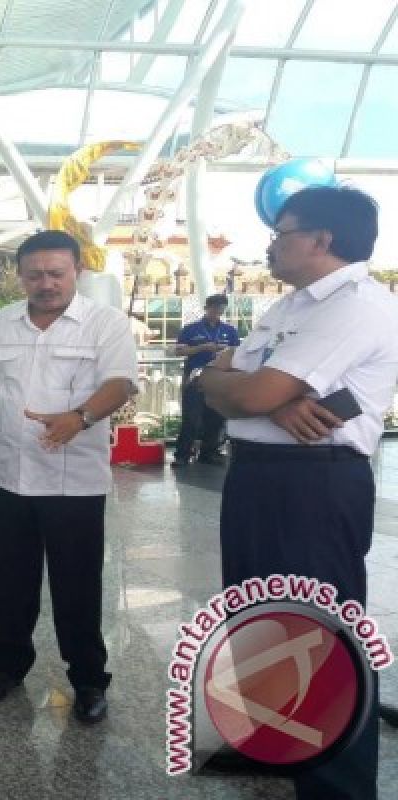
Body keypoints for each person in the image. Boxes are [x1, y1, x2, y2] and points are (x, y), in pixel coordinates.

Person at [197, 186, 398, 799]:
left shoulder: (357, 305)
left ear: (321, 240)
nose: (271, 244)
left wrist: (256, 393)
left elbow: (247, 394)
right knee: (256, 619)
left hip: (315, 484)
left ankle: (336, 785)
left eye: (282, 232)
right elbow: (211, 375)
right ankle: (273, 745)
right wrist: (257, 393)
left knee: (318, 637)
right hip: (256, 477)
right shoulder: (288, 309)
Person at [0, 230, 137, 724]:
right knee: (8, 582)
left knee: (77, 585)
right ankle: (8, 666)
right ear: (20, 277)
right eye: (35, 275)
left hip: (72, 482)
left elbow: (121, 383)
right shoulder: (3, 321)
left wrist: (80, 417)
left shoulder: (104, 323)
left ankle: (88, 679)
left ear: (77, 272)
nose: (45, 284)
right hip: (6, 473)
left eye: (56, 273)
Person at [172, 294, 239, 466]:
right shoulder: (191, 329)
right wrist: (201, 348)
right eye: (215, 308)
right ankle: (182, 454)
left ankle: (208, 453)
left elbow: (237, 352)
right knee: (191, 418)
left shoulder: (229, 330)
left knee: (216, 418)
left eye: (221, 309)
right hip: (195, 378)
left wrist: (226, 352)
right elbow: (179, 351)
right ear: (207, 308)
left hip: (219, 379)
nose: (218, 312)